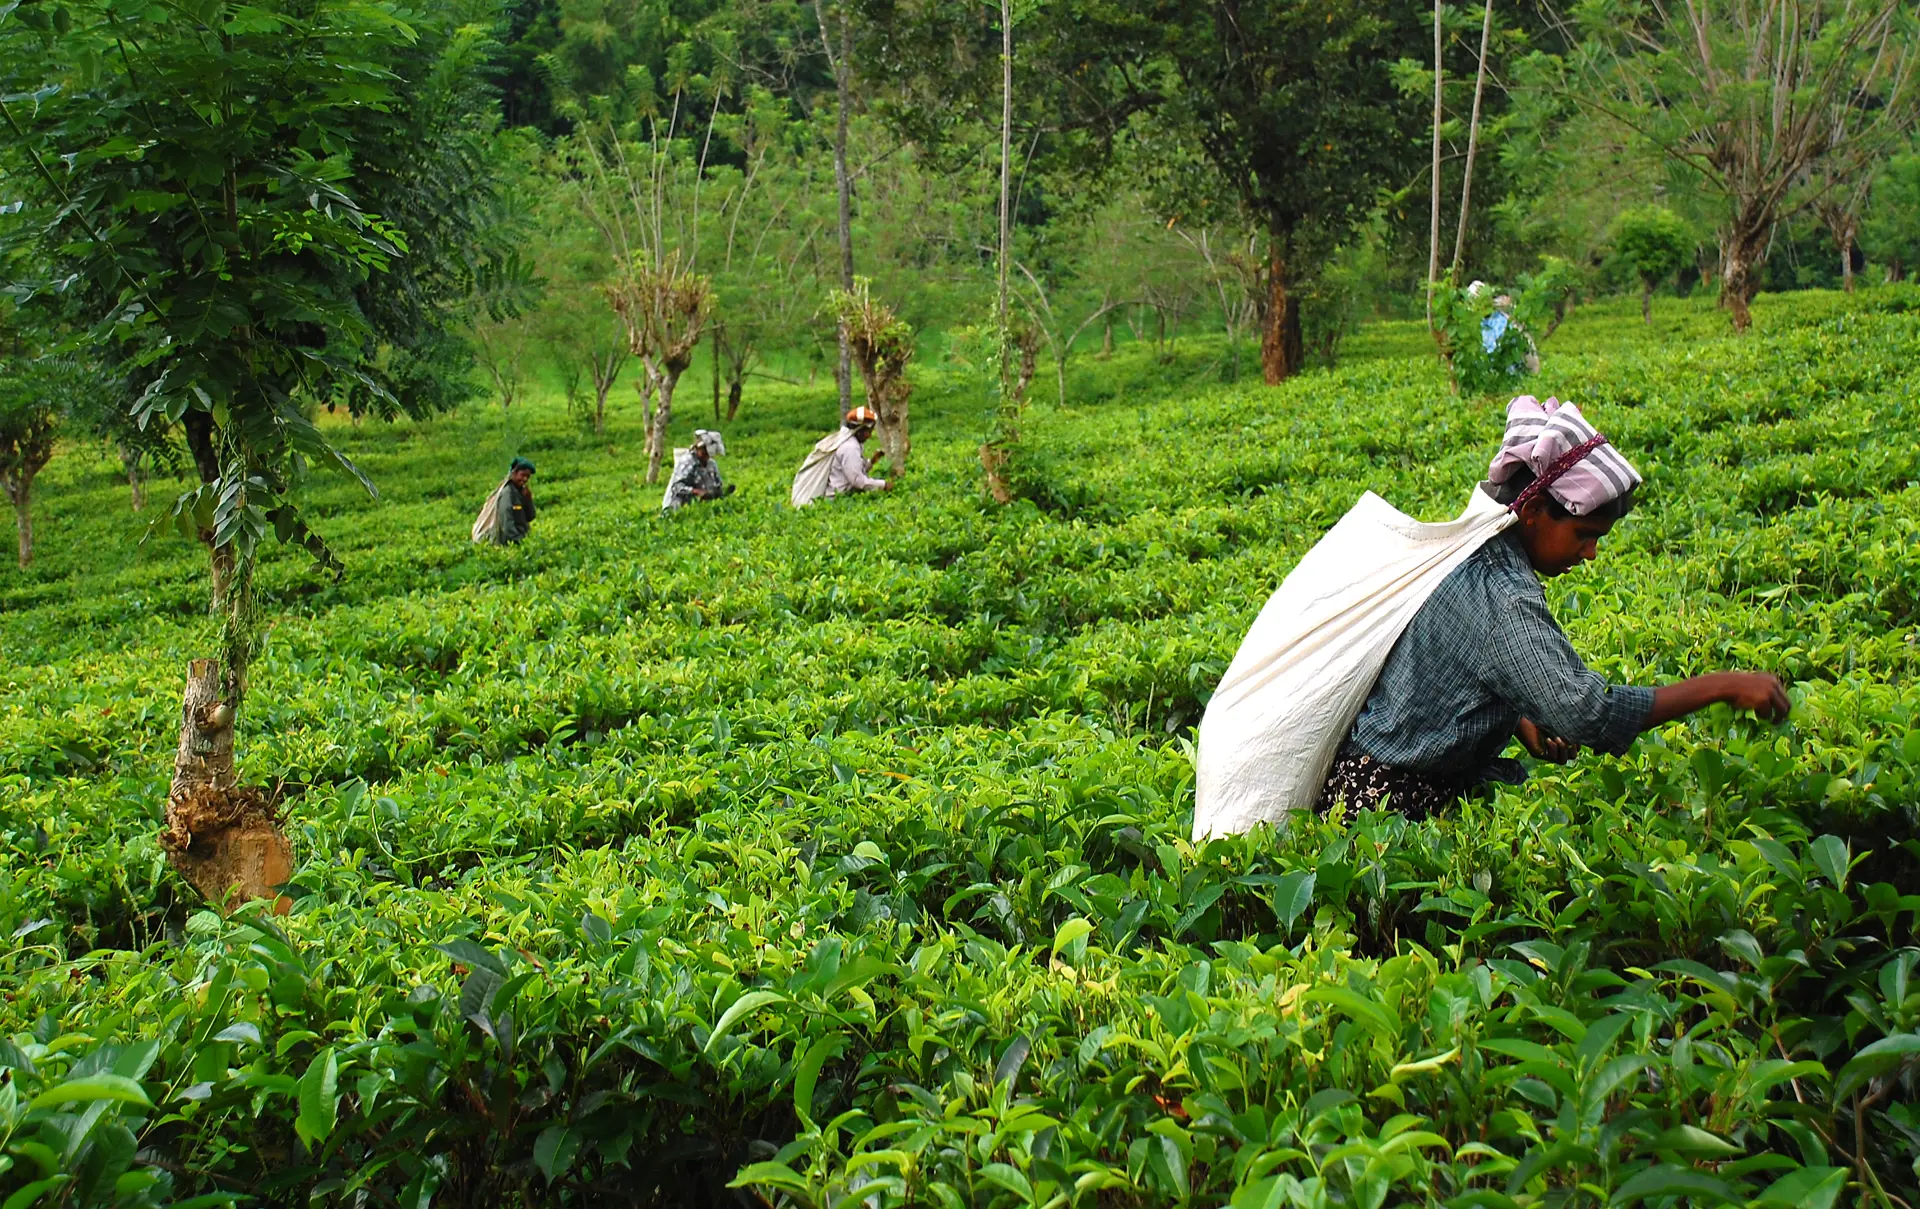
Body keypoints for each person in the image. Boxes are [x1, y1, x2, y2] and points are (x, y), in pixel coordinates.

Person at [1317, 396, 1789, 819]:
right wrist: (1723, 685)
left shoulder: (1466, 549)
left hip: (1368, 782)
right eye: (1585, 536)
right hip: (1386, 809)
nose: (1590, 555)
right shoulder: (1503, 596)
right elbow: (1588, 713)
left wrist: (1521, 719)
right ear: (1534, 510)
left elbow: (1444, 667)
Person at [790, 406, 891, 507]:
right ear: (859, 430)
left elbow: (854, 469)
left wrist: (872, 461)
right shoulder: (850, 447)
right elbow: (857, 480)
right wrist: (883, 485)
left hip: (840, 497)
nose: (869, 435)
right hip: (838, 500)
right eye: (868, 431)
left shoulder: (849, 441)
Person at [662, 429, 734, 511]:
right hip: (677, 507)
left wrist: (721, 492)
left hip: (699, 508)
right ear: (697, 449)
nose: (706, 457)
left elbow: (717, 484)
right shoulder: (687, 461)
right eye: (703, 453)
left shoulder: (711, 464)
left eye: (708, 455)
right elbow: (677, 487)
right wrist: (697, 492)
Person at [472, 456, 536, 545]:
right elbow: (506, 522)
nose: (525, 479)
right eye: (522, 475)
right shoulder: (507, 493)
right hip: (506, 543)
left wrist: (528, 501)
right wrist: (517, 541)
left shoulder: (521, 492)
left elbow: (531, 517)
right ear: (513, 473)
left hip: (519, 538)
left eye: (527, 476)